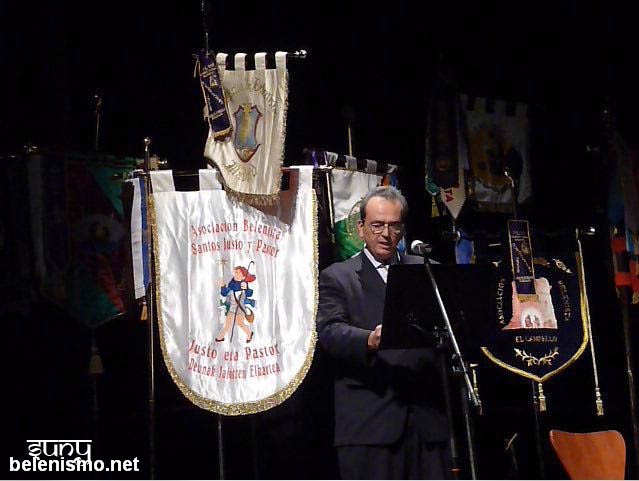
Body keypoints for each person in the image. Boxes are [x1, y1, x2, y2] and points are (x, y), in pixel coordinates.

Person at [317, 186, 450, 479]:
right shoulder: (337, 277)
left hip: (427, 423)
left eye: (393, 225)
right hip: (370, 422)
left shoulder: (427, 271)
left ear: (402, 229)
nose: (385, 234)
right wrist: (369, 339)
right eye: (377, 225)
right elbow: (329, 332)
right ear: (361, 227)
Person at [216, 265, 256, 343]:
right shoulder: (231, 284)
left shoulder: (244, 285)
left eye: (237, 272)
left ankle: (249, 333)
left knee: (240, 323)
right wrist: (222, 286)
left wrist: (246, 288)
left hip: (240, 308)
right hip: (232, 308)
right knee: (227, 324)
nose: (235, 274)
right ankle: (221, 337)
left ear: (243, 276)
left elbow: (249, 294)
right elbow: (224, 293)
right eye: (235, 272)